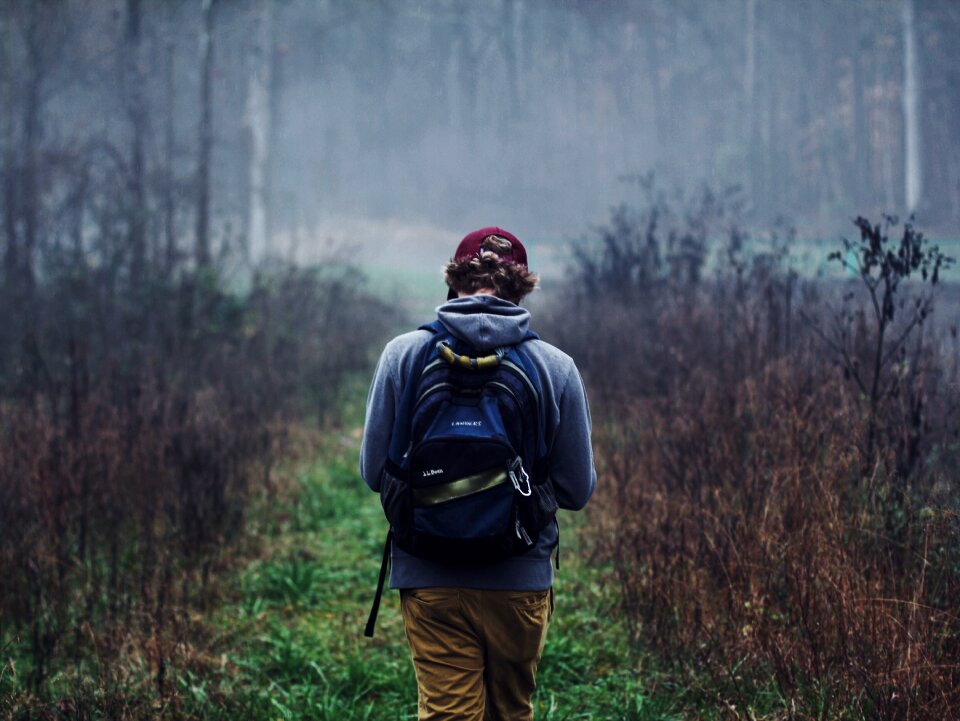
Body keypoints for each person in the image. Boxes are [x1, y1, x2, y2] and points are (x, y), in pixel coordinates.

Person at [360, 226, 596, 721]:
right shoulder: (555, 367)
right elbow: (576, 490)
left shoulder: (403, 355)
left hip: (429, 574)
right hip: (518, 577)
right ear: (520, 287)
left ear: (454, 280)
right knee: (511, 711)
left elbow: (372, 472)